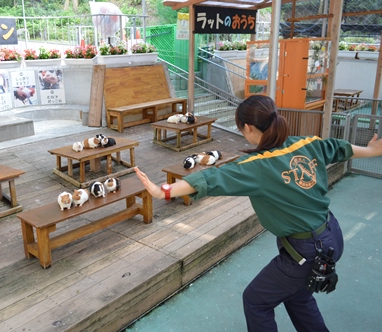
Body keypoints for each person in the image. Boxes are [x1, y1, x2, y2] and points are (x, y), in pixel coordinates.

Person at [134, 95, 382, 331]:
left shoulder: (258, 165)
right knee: (298, 297)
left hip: (307, 251)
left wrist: (162, 192)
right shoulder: (307, 143)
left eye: (240, 128)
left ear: (249, 128)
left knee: (256, 300)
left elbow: (212, 178)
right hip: (331, 234)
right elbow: (338, 147)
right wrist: (370, 151)